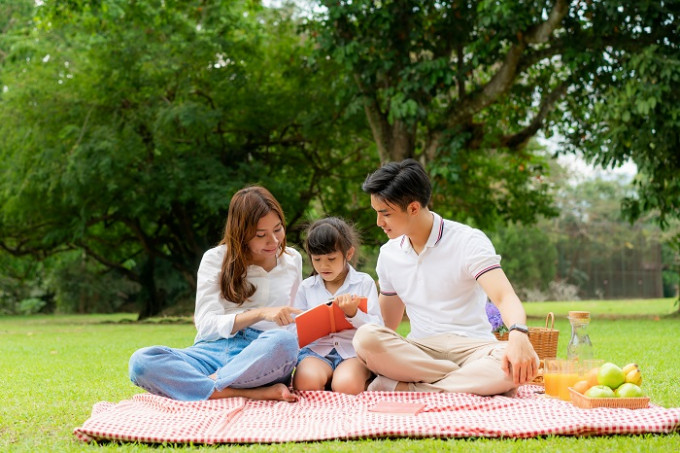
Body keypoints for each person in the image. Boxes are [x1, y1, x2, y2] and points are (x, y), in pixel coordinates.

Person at [353, 159, 538, 396]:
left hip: (473, 348)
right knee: (366, 338)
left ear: (413, 208)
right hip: (420, 350)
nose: (379, 223)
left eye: (385, 214)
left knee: (509, 366)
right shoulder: (389, 254)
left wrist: (519, 335)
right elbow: (386, 323)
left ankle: (411, 388)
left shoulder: (468, 241)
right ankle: (462, 381)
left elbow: (504, 296)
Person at [128, 186, 303, 402]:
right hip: (213, 350)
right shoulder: (215, 259)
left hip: (261, 355)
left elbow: (295, 322)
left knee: (284, 341)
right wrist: (259, 313)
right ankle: (241, 391)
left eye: (278, 229)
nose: (274, 241)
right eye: (261, 235)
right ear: (242, 234)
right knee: (141, 361)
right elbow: (206, 325)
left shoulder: (292, 259)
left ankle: (206, 386)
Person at [292, 217, 382, 394]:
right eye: (317, 259)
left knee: (346, 386)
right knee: (305, 384)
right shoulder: (306, 287)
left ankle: (343, 381)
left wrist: (354, 314)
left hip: (352, 353)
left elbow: (378, 328)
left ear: (348, 254)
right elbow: (295, 329)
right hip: (316, 352)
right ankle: (326, 381)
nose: (324, 266)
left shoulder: (363, 282)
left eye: (331, 259)